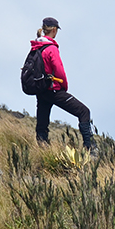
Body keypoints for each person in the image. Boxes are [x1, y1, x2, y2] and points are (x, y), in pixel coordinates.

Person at [31, 17, 97, 153]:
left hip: (41, 90)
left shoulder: (36, 46)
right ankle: (90, 149)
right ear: (54, 30)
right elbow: (59, 70)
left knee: (42, 122)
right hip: (53, 89)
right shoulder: (51, 48)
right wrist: (63, 88)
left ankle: (42, 149)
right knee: (84, 112)